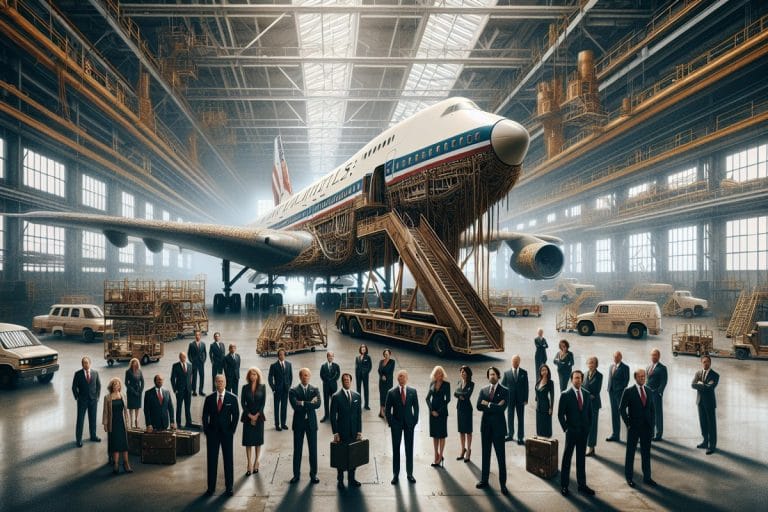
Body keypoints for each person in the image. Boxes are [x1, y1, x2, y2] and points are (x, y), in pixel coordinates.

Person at [558, 370, 595, 497]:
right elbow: (560, 414)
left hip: (583, 432)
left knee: (581, 460)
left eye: (579, 378)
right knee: (566, 459)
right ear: (571, 379)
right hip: (571, 432)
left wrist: (588, 428)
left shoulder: (586, 394)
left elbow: (590, 414)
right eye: (575, 378)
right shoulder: (565, 395)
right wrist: (566, 429)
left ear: (582, 379)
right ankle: (564, 486)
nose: (577, 380)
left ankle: (582, 485)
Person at [203, 374, 240, 497]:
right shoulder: (209, 398)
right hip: (212, 434)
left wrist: (231, 431)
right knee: (211, 461)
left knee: (228, 461)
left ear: (225, 383)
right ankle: (211, 488)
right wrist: (207, 431)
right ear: (215, 383)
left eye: (222, 381)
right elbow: (205, 416)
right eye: (218, 381)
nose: (220, 383)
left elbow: (236, 416)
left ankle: (229, 487)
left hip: (226, 434)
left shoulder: (232, 398)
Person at [620, 369, 657, 487]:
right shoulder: (628, 391)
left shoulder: (649, 390)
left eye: (643, 376)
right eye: (640, 376)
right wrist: (628, 424)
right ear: (635, 377)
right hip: (634, 427)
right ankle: (629, 478)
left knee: (646, 453)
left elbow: (652, 410)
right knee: (630, 453)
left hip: (647, 427)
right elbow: (621, 409)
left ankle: (647, 477)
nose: (642, 378)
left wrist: (652, 426)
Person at [475, 367, 509, 495]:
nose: (492, 376)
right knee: (485, 455)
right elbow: (478, 406)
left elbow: (502, 409)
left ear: (498, 376)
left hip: (499, 430)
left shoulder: (505, 391)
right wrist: (494, 405)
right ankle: (484, 480)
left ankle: (503, 484)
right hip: (486, 429)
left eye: (494, 374)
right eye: (490, 374)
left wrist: (487, 404)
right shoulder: (483, 390)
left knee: (501, 457)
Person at [385, 369, 419, 484]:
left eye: (404, 376)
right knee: (396, 450)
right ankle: (395, 475)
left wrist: (414, 421)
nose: (402, 378)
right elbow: (387, 410)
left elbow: (416, 408)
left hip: (409, 424)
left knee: (409, 449)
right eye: (400, 376)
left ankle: (410, 474)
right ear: (397, 378)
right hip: (396, 425)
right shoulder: (391, 392)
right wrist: (391, 423)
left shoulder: (413, 391)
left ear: (407, 378)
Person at [288, 368, 321, 484]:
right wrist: (309, 403)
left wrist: (302, 402)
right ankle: (296, 475)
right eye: (303, 375)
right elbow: (295, 406)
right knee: (297, 450)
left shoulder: (315, 389)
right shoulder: (293, 390)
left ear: (310, 376)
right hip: (298, 424)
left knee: (313, 450)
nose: (305, 377)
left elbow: (318, 404)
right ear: (300, 377)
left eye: (307, 375)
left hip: (311, 424)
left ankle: (313, 475)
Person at [330, 373, 363, 489]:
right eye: (344, 380)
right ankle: (340, 480)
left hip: (354, 432)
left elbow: (359, 415)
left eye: (348, 380)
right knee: (341, 456)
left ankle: (352, 478)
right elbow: (333, 416)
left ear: (351, 381)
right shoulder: (336, 396)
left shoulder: (357, 396)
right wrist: (335, 433)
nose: (347, 381)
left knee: (353, 455)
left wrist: (359, 431)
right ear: (342, 382)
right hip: (342, 432)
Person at [102, 377, 132, 474]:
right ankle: (116, 465)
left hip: (122, 422)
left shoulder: (123, 395)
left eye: (118, 384)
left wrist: (128, 422)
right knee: (115, 444)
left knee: (124, 444)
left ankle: (126, 463)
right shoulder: (107, 397)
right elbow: (105, 412)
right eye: (115, 385)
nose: (116, 386)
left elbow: (126, 411)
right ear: (111, 386)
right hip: (112, 423)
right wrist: (105, 424)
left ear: (120, 386)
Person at [241, 367, 266, 475]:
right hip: (248, 416)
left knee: (257, 441)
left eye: (255, 374)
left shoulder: (262, 387)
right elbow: (242, 403)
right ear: (248, 376)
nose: (253, 376)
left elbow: (263, 403)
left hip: (259, 416)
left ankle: (256, 462)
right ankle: (249, 463)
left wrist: (257, 415)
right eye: (251, 374)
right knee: (248, 442)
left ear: (258, 376)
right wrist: (250, 415)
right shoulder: (244, 387)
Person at [72, 356, 101, 447]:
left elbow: (98, 386)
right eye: (84, 363)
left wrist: (97, 397)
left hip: (93, 400)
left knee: (93, 419)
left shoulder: (95, 373)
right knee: (80, 420)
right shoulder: (78, 374)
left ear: (90, 363)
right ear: (82, 364)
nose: (86, 364)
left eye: (87, 362)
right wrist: (77, 397)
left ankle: (93, 436)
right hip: (82, 401)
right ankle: (79, 440)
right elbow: (74, 387)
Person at [692, 355, 719, 455]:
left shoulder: (715, 375)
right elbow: (692, 384)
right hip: (700, 402)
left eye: (707, 362)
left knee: (711, 424)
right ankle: (705, 441)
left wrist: (700, 384)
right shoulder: (698, 373)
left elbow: (710, 387)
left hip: (710, 403)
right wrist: (704, 385)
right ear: (701, 362)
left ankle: (712, 446)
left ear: (710, 363)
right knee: (703, 423)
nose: (705, 363)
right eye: (704, 362)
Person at [426, 366, 451, 467]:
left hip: (442, 413)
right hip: (432, 412)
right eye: (436, 373)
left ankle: (440, 457)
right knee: (434, 435)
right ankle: (436, 454)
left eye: (440, 373)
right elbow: (427, 398)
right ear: (434, 374)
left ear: (442, 374)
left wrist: (439, 412)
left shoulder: (446, 384)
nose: (438, 375)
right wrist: (432, 411)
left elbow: (447, 400)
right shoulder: (432, 383)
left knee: (441, 434)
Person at [502, 354, 528, 445]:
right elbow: (503, 387)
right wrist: (503, 399)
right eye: (513, 361)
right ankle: (510, 435)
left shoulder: (524, 373)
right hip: (510, 400)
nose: (515, 363)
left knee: (520, 419)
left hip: (521, 400)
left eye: (517, 361)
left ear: (519, 362)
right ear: (511, 362)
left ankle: (520, 437)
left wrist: (526, 399)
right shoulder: (506, 373)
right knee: (510, 417)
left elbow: (526, 387)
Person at [606, 351, 629, 442]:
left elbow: (626, 381)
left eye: (617, 357)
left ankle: (632, 432)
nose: (615, 358)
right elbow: (610, 379)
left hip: (619, 394)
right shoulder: (611, 366)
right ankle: (615, 435)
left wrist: (619, 390)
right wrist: (609, 389)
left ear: (621, 357)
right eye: (614, 357)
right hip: (611, 392)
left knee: (623, 413)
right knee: (614, 414)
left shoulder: (625, 367)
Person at [582, 356, 603, 456]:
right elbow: (581, 388)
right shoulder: (584, 374)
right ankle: (586, 445)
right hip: (585, 404)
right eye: (589, 362)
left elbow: (596, 391)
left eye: (593, 363)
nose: (591, 364)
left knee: (593, 426)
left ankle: (591, 447)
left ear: (596, 364)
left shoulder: (599, 375)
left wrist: (587, 395)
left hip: (594, 404)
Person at [268, 349, 293, 431]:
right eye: (280, 355)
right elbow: (270, 378)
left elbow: (290, 377)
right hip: (277, 390)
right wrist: (273, 388)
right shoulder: (274, 366)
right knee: (276, 407)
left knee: (284, 407)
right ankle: (277, 424)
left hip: (285, 389)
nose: (282, 356)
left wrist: (289, 386)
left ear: (285, 355)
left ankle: (283, 424)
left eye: (283, 354)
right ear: (278, 356)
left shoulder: (289, 364)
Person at [454, 365, 475, 462]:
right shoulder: (458, 382)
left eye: (464, 371)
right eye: (461, 372)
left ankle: (468, 450)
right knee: (461, 431)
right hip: (460, 408)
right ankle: (463, 449)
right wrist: (460, 395)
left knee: (468, 431)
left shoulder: (471, 384)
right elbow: (455, 393)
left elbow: (467, 396)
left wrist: (460, 394)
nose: (462, 373)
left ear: (468, 373)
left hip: (467, 409)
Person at [646, 348, 668, 441]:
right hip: (648, 394)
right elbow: (647, 381)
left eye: (655, 355)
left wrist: (659, 392)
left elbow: (664, 382)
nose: (653, 356)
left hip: (656, 394)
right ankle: (650, 434)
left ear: (659, 356)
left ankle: (658, 435)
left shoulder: (662, 368)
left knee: (658, 414)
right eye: (652, 355)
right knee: (650, 415)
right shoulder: (648, 367)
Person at [170, 352, 194, 428]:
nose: (183, 358)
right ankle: (179, 423)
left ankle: (188, 422)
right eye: (181, 357)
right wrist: (175, 389)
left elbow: (191, 378)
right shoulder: (175, 366)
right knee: (179, 407)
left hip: (188, 390)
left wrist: (192, 388)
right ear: (179, 357)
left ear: (185, 357)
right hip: (179, 390)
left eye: (184, 357)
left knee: (188, 407)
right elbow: (172, 378)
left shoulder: (190, 365)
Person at [320, 351, 341, 422]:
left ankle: (334, 415)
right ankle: (326, 416)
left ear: (333, 357)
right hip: (326, 386)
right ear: (327, 357)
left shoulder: (336, 366)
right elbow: (321, 375)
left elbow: (338, 375)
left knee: (334, 401)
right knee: (326, 401)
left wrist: (332, 380)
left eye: (332, 356)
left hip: (333, 386)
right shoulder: (323, 366)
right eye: (329, 356)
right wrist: (327, 380)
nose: (331, 357)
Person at [535, 364, 555, 437]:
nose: (544, 372)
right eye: (542, 370)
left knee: (546, 423)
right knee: (539, 423)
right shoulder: (538, 381)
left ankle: (547, 437)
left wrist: (551, 408)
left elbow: (552, 396)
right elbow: (536, 391)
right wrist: (536, 399)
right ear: (540, 372)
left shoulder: (550, 382)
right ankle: (540, 437)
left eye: (545, 370)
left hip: (546, 406)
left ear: (548, 371)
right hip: (538, 406)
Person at [124, 358, 144, 429]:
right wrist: (132, 391)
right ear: (131, 364)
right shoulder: (128, 371)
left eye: (135, 363)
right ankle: (131, 423)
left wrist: (141, 391)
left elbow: (142, 382)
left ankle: (136, 422)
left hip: (138, 392)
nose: (134, 364)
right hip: (131, 392)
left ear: (137, 364)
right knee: (131, 408)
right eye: (133, 363)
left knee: (137, 407)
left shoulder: (140, 371)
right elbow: (126, 383)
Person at [377, 349, 396, 419]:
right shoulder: (381, 361)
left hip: (388, 382)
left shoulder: (392, 362)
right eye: (385, 354)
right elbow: (379, 370)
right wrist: (382, 376)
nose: (386, 355)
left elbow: (390, 371)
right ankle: (381, 411)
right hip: (381, 382)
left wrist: (385, 376)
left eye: (387, 354)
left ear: (390, 354)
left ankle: (386, 411)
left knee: (388, 396)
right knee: (382, 396)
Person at [187, 330, 207, 396]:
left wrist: (203, 360)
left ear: (200, 336)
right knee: (194, 377)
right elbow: (189, 354)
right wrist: (191, 360)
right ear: (195, 336)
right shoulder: (191, 344)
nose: (197, 336)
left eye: (198, 335)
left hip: (201, 363)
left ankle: (201, 391)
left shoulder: (203, 344)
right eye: (196, 335)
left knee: (202, 377)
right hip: (194, 363)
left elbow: (205, 353)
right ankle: (194, 391)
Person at [355, 344, 372, 410]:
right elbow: (356, 367)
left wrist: (365, 372)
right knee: (358, 391)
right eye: (362, 349)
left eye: (364, 349)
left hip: (365, 376)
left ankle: (366, 405)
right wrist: (356, 375)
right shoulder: (357, 357)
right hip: (358, 376)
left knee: (366, 390)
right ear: (360, 350)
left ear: (366, 350)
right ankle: (358, 404)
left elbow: (370, 366)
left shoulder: (368, 357)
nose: (363, 350)